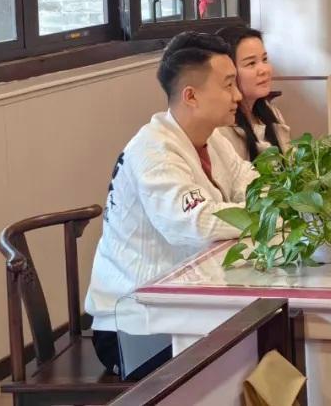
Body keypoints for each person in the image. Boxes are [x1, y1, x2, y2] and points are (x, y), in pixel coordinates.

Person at [85, 32, 257, 377]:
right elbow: (197, 224)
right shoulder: (153, 152)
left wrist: (261, 205)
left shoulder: (213, 138)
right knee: (248, 351)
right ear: (190, 95)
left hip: (185, 307)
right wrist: (266, 216)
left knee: (267, 332)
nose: (238, 96)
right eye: (228, 85)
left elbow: (249, 180)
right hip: (134, 325)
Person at [216, 24, 291, 160]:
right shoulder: (221, 127)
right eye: (251, 63)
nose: (264, 70)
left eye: (264, 59)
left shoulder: (271, 112)